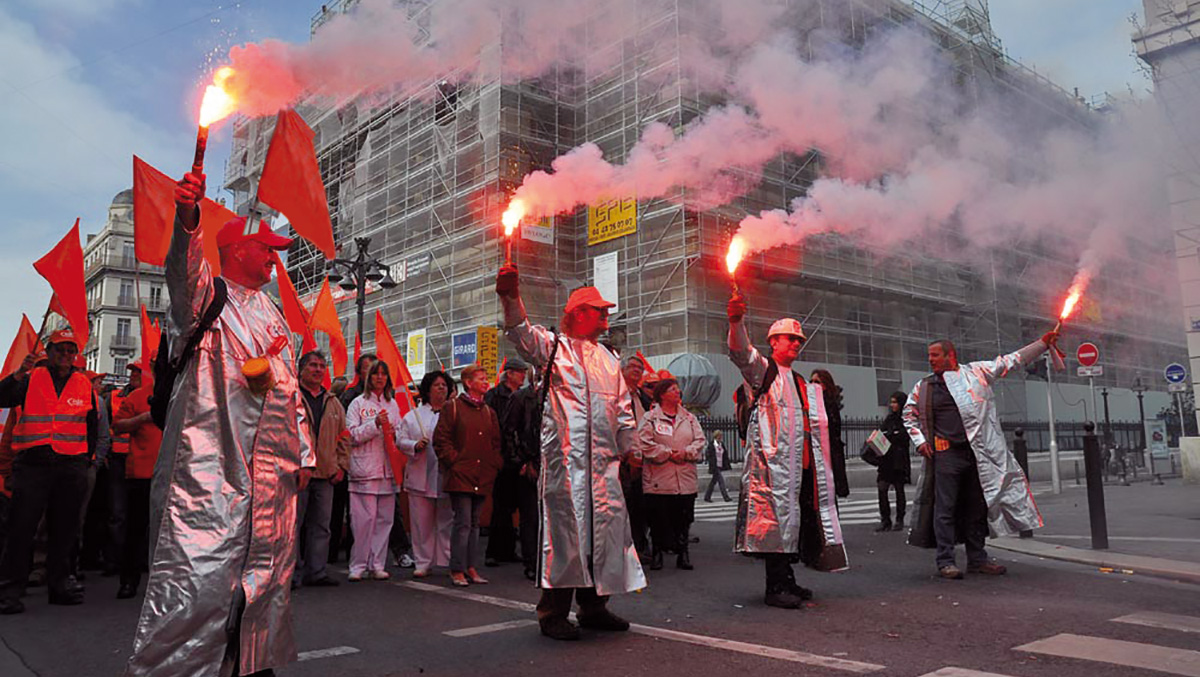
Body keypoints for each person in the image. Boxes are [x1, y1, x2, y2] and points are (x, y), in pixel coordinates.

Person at [125, 172, 314, 677]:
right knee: (200, 580)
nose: (274, 258)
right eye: (266, 248)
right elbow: (183, 271)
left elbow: (290, 389)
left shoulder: (273, 313)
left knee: (264, 579)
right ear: (236, 250)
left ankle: (251, 665)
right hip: (208, 473)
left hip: (271, 480)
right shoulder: (208, 299)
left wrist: (303, 455)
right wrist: (188, 218)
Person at [497, 263, 644, 641]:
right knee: (565, 536)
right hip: (566, 465)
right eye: (599, 310)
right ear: (578, 313)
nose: (606, 315)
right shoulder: (553, 348)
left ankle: (594, 607)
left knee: (604, 535)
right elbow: (519, 331)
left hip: (604, 467)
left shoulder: (609, 359)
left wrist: (630, 449)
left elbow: (623, 410)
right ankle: (552, 613)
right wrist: (510, 296)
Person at [727, 293, 847, 610]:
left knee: (792, 523)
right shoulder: (763, 371)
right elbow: (740, 352)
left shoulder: (798, 380)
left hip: (799, 470)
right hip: (772, 470)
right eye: (790, 339)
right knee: (774, 525)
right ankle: (775, 586)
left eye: (799, 340)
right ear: (773, 342)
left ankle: (787, 579)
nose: (796, 344)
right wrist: (736, 321)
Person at [904, 337, 1053, 579]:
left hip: (978, 455)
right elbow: (908, 414)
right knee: (945, 508)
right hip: (946, 454)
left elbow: (1010, 361)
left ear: (950, 355)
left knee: (976, 507)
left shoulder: (977, 372)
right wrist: (921, 442)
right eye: (929, 355)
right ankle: (946, 561)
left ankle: (977, 559)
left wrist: (1042, 344)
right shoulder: (925, 386)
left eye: (935, 355)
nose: (930, 359)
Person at [0, 329, 98, 614]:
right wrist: (19, 374)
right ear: (49, 351)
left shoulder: (83, 383)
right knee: (21, 528)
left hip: (70, 465)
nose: (66, 355)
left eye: (70, 351)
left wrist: (85, 459)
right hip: (34, 464)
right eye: (60, 350)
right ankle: (9, 591)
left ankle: (60, 586)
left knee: (65, 530)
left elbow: (91, 424)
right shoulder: (32, 377)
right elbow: (2, 397)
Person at [434, 363, 502, 587]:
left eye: (486, 378)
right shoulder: (453, 407)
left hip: (482, 474)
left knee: (474, 524)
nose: (486, 382)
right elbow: (441, 439)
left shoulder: (488, 412)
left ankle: (471, 566)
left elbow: (495, 443)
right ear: (468, 383)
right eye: (481, 378)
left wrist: (493, 464)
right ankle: (457, 568)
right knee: (463, 522)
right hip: (461, 474)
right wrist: (454, 461)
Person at [637, 377, 705, 571]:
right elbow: (644, 443)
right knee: (658, 518)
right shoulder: (650, 418)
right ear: (662, 394)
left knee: (684, 519)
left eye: (678, 389)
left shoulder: (689, 418)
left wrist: (686, 453)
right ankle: (657, 552)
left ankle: (683, 554)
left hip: (684, 479)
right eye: (672, 389)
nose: (677, 392)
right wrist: (667, 453)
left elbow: (700, 441)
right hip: (659, 480)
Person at [345, 360, 402, 582]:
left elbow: (399, 432)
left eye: (383, 374)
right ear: (368, 377)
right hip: (365, 470)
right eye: (376, 374)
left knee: (384, 521)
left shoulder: (392, 404)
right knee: (363, 521)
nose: (380, 378)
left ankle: (377, 564)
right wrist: (374, 425)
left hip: (387, 470)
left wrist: (395, 433)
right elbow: (351, 435)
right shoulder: (357, 403)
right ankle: (358, 564)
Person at [295, 351, 349, 588]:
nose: (318, 370)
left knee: (321, 526)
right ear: (301, 369)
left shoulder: (333, 402)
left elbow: (344, 437)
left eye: (321, 366)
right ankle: (291, 573)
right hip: (298, 473)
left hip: (326, 473)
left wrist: (341, 466)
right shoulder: (291, 396)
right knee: (293, 527)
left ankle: (316, 571)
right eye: (313, 365)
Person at [398, 371, 455, 578]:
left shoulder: (454, 413)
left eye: (444, 385)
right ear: (427, 390)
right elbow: (400, 440)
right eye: (437, 385)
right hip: (420, 474)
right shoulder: (413, 416)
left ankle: (447, 560)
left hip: (446, 475)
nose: (441, 388)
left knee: (447, 521)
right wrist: (414, 445)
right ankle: (423, 562)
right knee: (421, 522)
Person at [111, 368, 160, 600]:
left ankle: (163, 583)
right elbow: (118, 425)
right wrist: (142, 419)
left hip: (173, 474)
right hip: (142, 472)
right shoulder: (138, 396)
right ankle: (129, 581)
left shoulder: (184, 395)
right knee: (136, 529)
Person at [483, 358, 529, 568]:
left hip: (519, 456)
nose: (523, 375)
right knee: (501, 505)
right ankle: (494, 551)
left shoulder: (524, 396)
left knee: (514, 506)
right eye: (520, 372)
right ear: (509, 374)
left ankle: (508, 549)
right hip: (503, 456)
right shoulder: (494, 396)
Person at [332, 353, 377, 564]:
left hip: (372, 464)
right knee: (340, 507)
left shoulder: (384, 398)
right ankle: (332, 553)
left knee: (361, 514)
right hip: (348, 459)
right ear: (359, 372)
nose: (374, 374)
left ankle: (357, 553)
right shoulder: (350, 397)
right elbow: (345, 432)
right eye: (369, 368)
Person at [104, 363, 143, 577]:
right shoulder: (114, 397)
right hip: (119, 459)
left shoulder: (155, 396)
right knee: (117, 512)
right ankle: (115, 560)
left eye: (139, 371)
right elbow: (107, 427)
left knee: (140, 513)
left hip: (143, 459)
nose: (134, 374)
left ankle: (138, 560)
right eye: (132, 371)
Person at [619, 355, 652, 560]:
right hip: (623, 461)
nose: (637, 370)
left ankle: (640, 545)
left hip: (644, 460)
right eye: (632, 366)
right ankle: (626, 548)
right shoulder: (616, 395)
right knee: (625, 507)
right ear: (622, 370)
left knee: (641, 507)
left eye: (640, 367)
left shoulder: (644, 399)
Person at [809, 370, 850, 500]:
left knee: (828, 494)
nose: (813, 385)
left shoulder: (829, 405)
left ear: (825, 385)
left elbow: (832, 431)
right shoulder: (810, 403)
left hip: (827, 454)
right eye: (811, 381)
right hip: (813, 453)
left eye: (817, 382)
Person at [875, 392, 912, 532]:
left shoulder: (906, 419)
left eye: (895, 402)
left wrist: (891, 435)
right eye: (891, 402)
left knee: (899, 490)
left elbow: (903, 437)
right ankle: (885, 519)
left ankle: (899, 519)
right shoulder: (889, 419)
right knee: (882, 489)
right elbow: (882, 433)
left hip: (898, 460)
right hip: (886, 459)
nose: (892, 405)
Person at [703, 430, 732, 503]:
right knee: (721, 481)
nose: (720, 438)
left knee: (713, 482)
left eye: (721, 436)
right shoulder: (712, 445)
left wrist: (726, 464)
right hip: (714, 466)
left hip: (720, 465)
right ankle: (726, 497)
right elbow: (708, 454)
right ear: (716, 437)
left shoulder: (721, 444)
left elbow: (724, 454)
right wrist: (711, 462)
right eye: (719, 436)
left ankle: (707, 496)